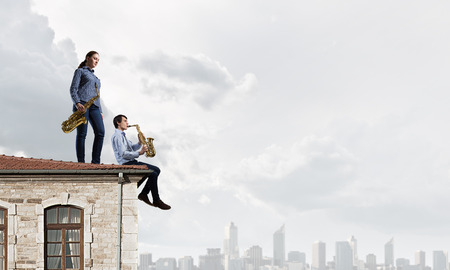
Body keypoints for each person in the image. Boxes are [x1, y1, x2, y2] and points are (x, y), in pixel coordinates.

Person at [111, 114, 171, 210]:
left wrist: (139, 143)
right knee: (153, 174)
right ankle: (156, 199)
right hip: (126, 163)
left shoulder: (122, 135)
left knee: (157, 170)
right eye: (125, 121)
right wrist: (140, 152)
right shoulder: (117, 136)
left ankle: (143, 194)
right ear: (118, 123)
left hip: (132, 161)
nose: (127, 123)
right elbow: (123, 153)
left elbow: (131, 148)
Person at [69, 51, 105, 164]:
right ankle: (81, 162)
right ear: (87, 58)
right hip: (82, 105)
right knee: (82, 134)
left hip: (95, 107)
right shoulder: (80, 71)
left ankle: (96, 162)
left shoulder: (96, 78)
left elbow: (97, 96)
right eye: (95, 58)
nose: (96, 61)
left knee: (100, 132)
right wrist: (77, 103)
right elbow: (73, 89)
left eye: (98, 60)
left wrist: (101, 111)